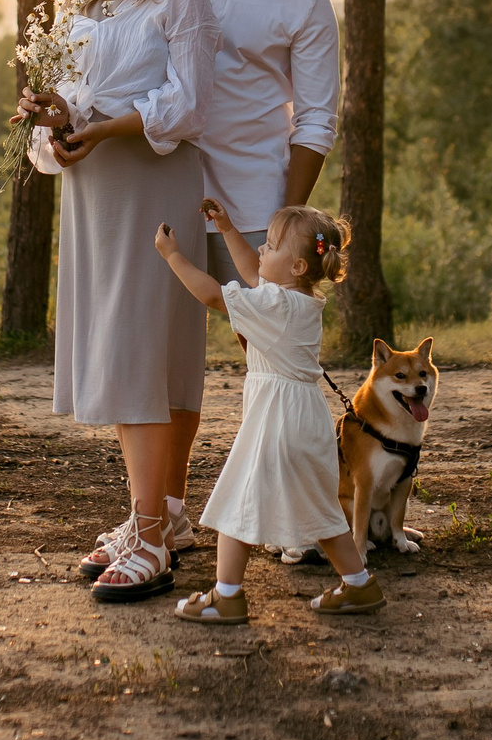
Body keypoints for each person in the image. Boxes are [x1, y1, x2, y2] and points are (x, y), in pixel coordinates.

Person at [22, 0, 219, 603]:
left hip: (153, 182)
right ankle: (156, 516)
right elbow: (73, 98)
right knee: (117, 346)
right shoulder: (80, 5)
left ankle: (151, 537)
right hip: (94, 193)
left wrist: (106, 127)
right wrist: (57, 126)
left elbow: (189, 102)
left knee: (144, 351)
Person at [152, 200, 386, 621]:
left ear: (297, 266)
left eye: (272, 245)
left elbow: (213, 294)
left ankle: (227, 596)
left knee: (238, 502)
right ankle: (358, 584)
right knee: (320, 509)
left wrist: (173, 256)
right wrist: (227, 229)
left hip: (276, 421)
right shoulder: (300, 299)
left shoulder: (275, 305)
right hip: (305, 420)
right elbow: (252, 272)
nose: (262, 249)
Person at [171, 0, 340, 283]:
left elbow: (316, 120)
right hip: (164, 189)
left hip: (254, 204)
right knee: (157, 317)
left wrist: (287, 220)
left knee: (260, 321)